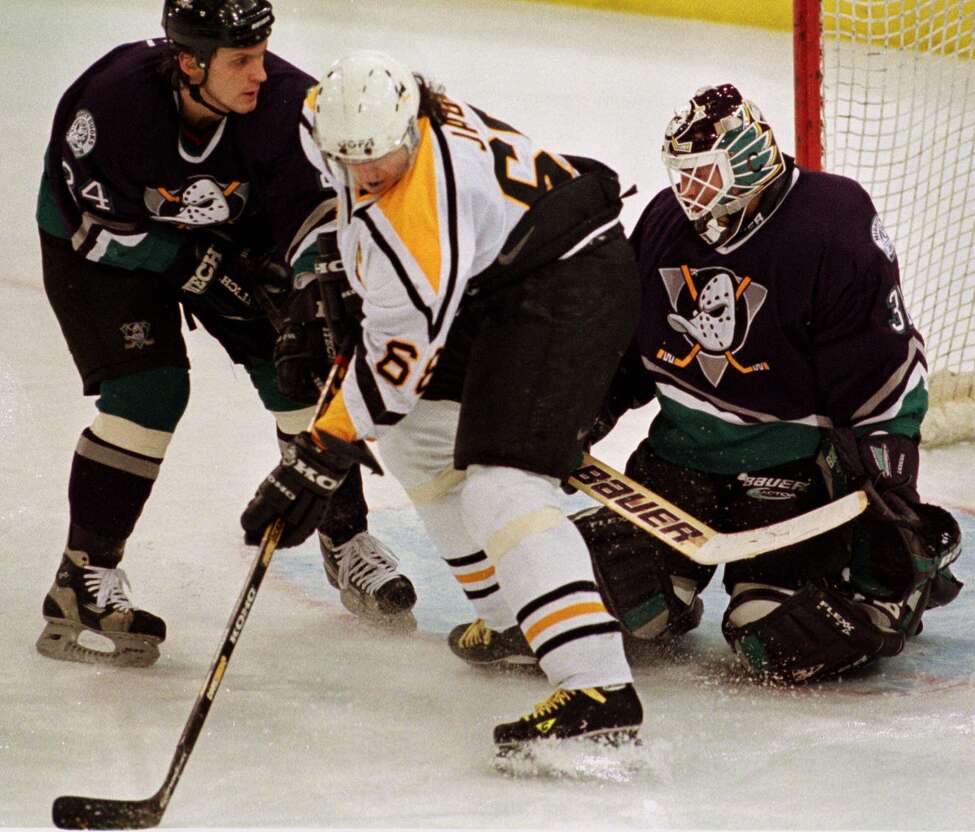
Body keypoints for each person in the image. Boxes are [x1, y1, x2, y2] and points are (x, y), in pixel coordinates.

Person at [447, 84, 963, 685]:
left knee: (781, 643)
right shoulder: (665, 220)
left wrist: (887, 477)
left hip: (791, 476)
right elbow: (626, 350)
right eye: (682, 174)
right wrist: (578, 414)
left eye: (704, 174)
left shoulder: (833, 223)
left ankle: (900, 595)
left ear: (750, 160)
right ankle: (672, 595)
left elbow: (883, 365)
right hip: (679, 463)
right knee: (618, 602)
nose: (687, 191)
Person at [241, 50, 644, 755]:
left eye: (383, 159)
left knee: (502, 484)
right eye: (352, 160)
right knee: (416, 436)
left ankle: (597, 688)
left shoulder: (424, 214)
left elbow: (395, 369)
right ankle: (510, 615)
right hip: (499, 269)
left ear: (412, 126)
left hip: (569, 278)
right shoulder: (343, 123)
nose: (369, 175)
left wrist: (317, 454)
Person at [36, 0, 416, 669]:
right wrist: (201, 268)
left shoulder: (289, 104)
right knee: (149, 393)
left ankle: (344, 535)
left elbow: (316, 214)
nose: (260, 74)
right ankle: (81, 583)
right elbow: (97, 232)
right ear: (188, 61)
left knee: (303, 369)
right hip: (105, 251)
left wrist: (310, 284)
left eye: (263, 54)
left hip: (230, 239)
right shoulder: (111, 106)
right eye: (241, 60)